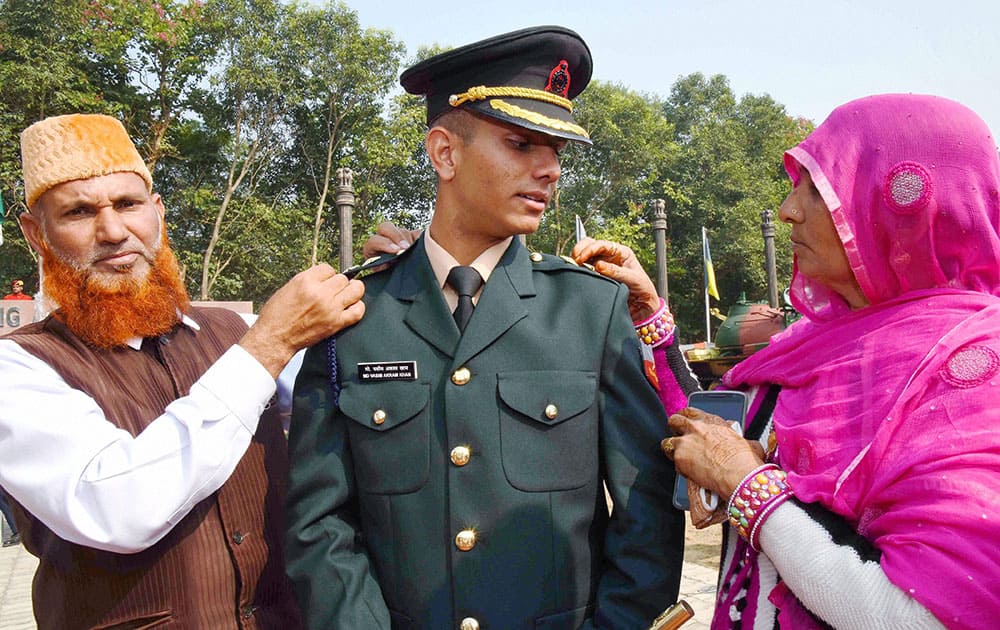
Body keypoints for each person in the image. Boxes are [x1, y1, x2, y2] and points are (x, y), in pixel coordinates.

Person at [285, 26, 685, 629]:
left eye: (555, 150)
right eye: (522, 144)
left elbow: (646, 514)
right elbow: (319, 524)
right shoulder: (352, 313)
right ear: (445, 152)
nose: (549, 168)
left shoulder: (590, 310)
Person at [625, 94, 999, 629]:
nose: (787, 210)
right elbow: (709, 430)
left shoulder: (974, 367)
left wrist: (748, 487)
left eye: (818, 191)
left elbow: (924, 615)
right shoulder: (812, 343)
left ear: (899, 206)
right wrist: (655, 324)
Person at [0, 113, 365, 628]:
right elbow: (116, 508)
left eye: (128, 204)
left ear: (157, 214)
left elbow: (357, 383)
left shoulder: (230, 330)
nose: (113, 231)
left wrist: (407, 278)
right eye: (79, 212)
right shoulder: (20, 366)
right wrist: (269, 345)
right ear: (37, 235)